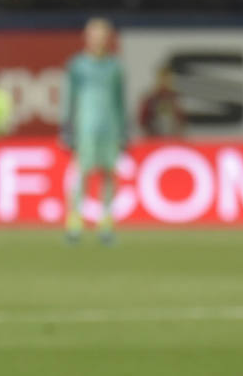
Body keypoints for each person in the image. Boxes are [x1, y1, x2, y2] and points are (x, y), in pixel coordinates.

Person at [61, 16, 126, 244]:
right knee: (82, 172)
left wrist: (124, 130)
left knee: (109, 173)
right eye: (94, 35)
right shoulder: (77, 66)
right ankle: (74, 220)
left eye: (102, 35)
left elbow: (120, 101)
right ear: (86, 38)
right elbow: (69, 98)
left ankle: (106, 221)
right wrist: (67, 127)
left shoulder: (115, 67)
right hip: (85, 126)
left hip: (110, 127)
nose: (98, 40)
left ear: (108, 39)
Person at [138, 64, 185, 137]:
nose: (165, 81)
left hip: (173, 139)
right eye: (162, 78)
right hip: (154, 139)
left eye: (167, 78)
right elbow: (143, 121)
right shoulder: (150, 99)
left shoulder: (174, 98)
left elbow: (181, 121)